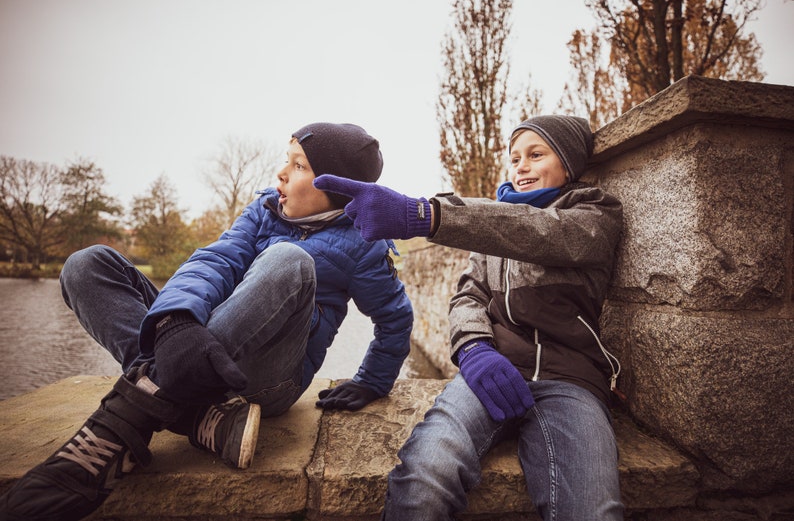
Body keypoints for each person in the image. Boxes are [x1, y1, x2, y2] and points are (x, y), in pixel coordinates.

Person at [0, 122, 413, 521]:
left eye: (299, 166)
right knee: (86, 264)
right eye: (286, 160)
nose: (281, 173)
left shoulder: (364, 244)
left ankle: (121, 424)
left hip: (266, 380)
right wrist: (176, 320)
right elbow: (216, 261)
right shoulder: (265, 208)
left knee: (288, 260)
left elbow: (394, 317)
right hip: (199, 349)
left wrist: (372, 380)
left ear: (337, 188)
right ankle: (195, 416)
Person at [314, 115, 625, 520]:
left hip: (571, 382)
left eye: (536, 154)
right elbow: (467, 295)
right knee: (423, 476)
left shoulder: (595, 214)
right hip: (489, 372)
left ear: (568, 162)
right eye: (515, 158)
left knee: (591, 511)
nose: (521, 166)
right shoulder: (492, 226)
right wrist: (476, 350)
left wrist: (425, 215)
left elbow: (543, 233)